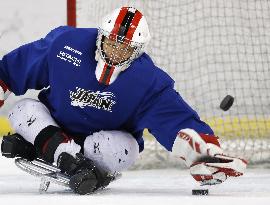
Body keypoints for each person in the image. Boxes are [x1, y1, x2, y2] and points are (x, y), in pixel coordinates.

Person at [0, 7, 247, 195]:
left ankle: (46, 148)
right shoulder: (65, 44)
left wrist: (204, 151)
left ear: (138, 50)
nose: (117, 50)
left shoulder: (148, 80)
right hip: (54, 122)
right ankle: (67, 158)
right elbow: (15, 69)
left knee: (126, 150)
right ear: (101, 35)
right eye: (113, 41)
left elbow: (175, 118)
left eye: (126, 47)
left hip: (97, 145)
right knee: (22, 109)